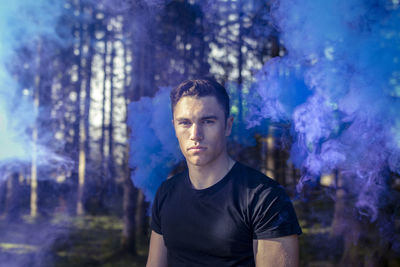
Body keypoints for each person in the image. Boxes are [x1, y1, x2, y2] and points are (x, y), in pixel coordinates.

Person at [146, 78, 302, 267]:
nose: (195, 134)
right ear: (174, 127)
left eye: (208, 121)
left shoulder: (265, 197)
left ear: (228, 125)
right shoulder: (166, 192)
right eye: (185, 123)